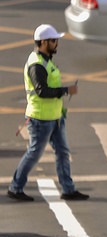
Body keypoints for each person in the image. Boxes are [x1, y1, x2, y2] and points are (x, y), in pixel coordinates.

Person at [7, 24, 90, 202]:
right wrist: (67, 90)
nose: (57, 44)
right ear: (43, 42)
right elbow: (41, 91)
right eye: (54, 41)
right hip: (40, 119)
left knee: (62, 152)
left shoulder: (46, 59)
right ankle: (15, 187)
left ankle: (68, 189)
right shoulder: (37, 64)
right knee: (34, 153)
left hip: (55, 117)